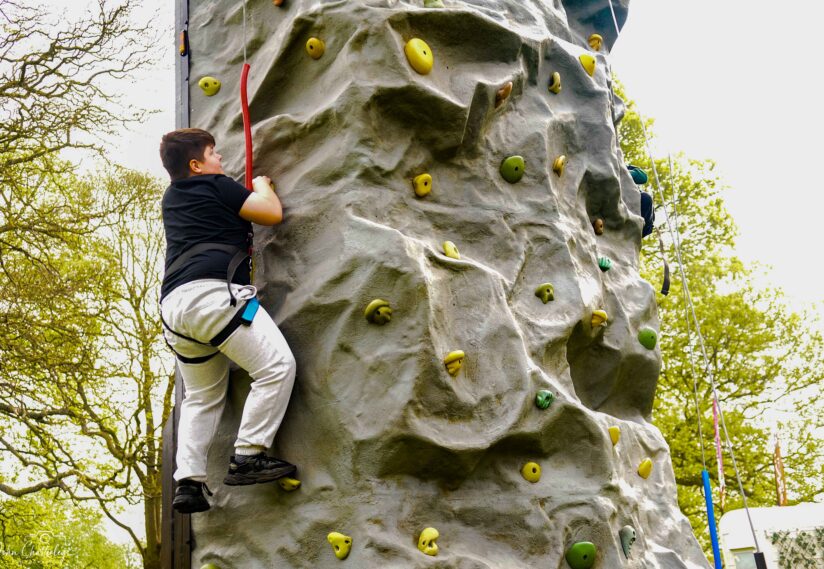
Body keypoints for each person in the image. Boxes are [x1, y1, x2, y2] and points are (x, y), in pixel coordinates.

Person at [158, 128, 297, 514]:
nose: (221, 160)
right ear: (197, 165)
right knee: (275, 367)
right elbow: (270, 213)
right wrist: (261, 184)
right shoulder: (216, 184)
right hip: (213, 298)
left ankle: (188, 482)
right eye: (214, 153)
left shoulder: (172, 199)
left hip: (175, 311)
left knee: (201, 396)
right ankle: (248, 455)